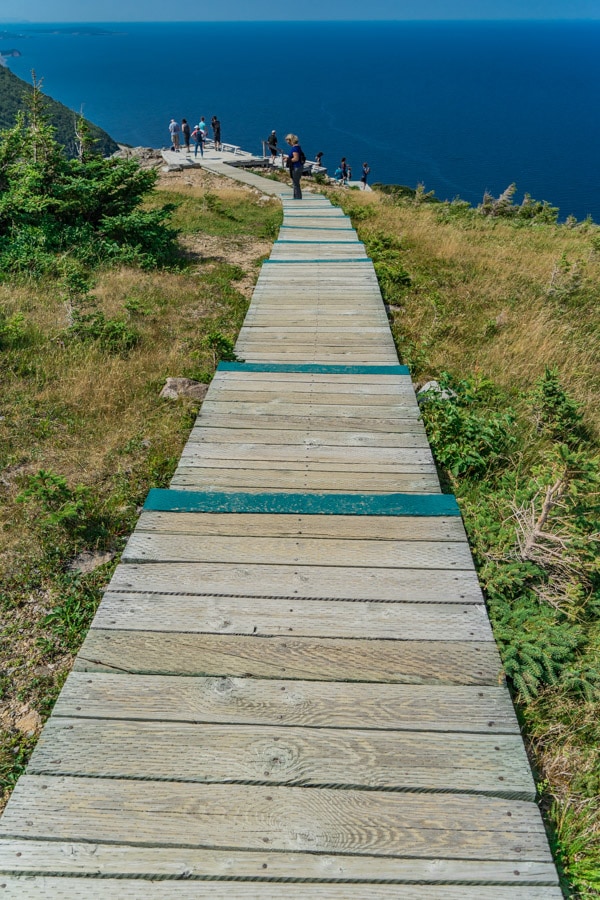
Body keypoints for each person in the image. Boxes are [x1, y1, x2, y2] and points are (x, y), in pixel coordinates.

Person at [285, 133, 304, 200]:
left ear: (291, 140)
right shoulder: (298, 147)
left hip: (296, 167)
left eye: (288, 141)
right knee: (296, 183)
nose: (287, 143)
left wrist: (288, 160)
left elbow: (296, 158)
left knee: (295, 183)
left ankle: (297, 198)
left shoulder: (294, 148)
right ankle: (296, 196)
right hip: (299, 167)